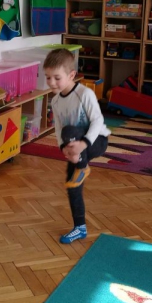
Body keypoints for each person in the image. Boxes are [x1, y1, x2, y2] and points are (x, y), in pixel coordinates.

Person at [43, 48, 110, 244]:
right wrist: (62, 147)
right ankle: (80, 227)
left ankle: (83, 167)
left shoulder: (84, 93)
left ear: (71, 75)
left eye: (57, 78)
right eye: (48, 77)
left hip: (96, 141)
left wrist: (84, 143)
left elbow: (98, 120)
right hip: (76, 151)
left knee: (70, 130)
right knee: (72, 185)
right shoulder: (56, 101)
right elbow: (58, 128)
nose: (51, 82)